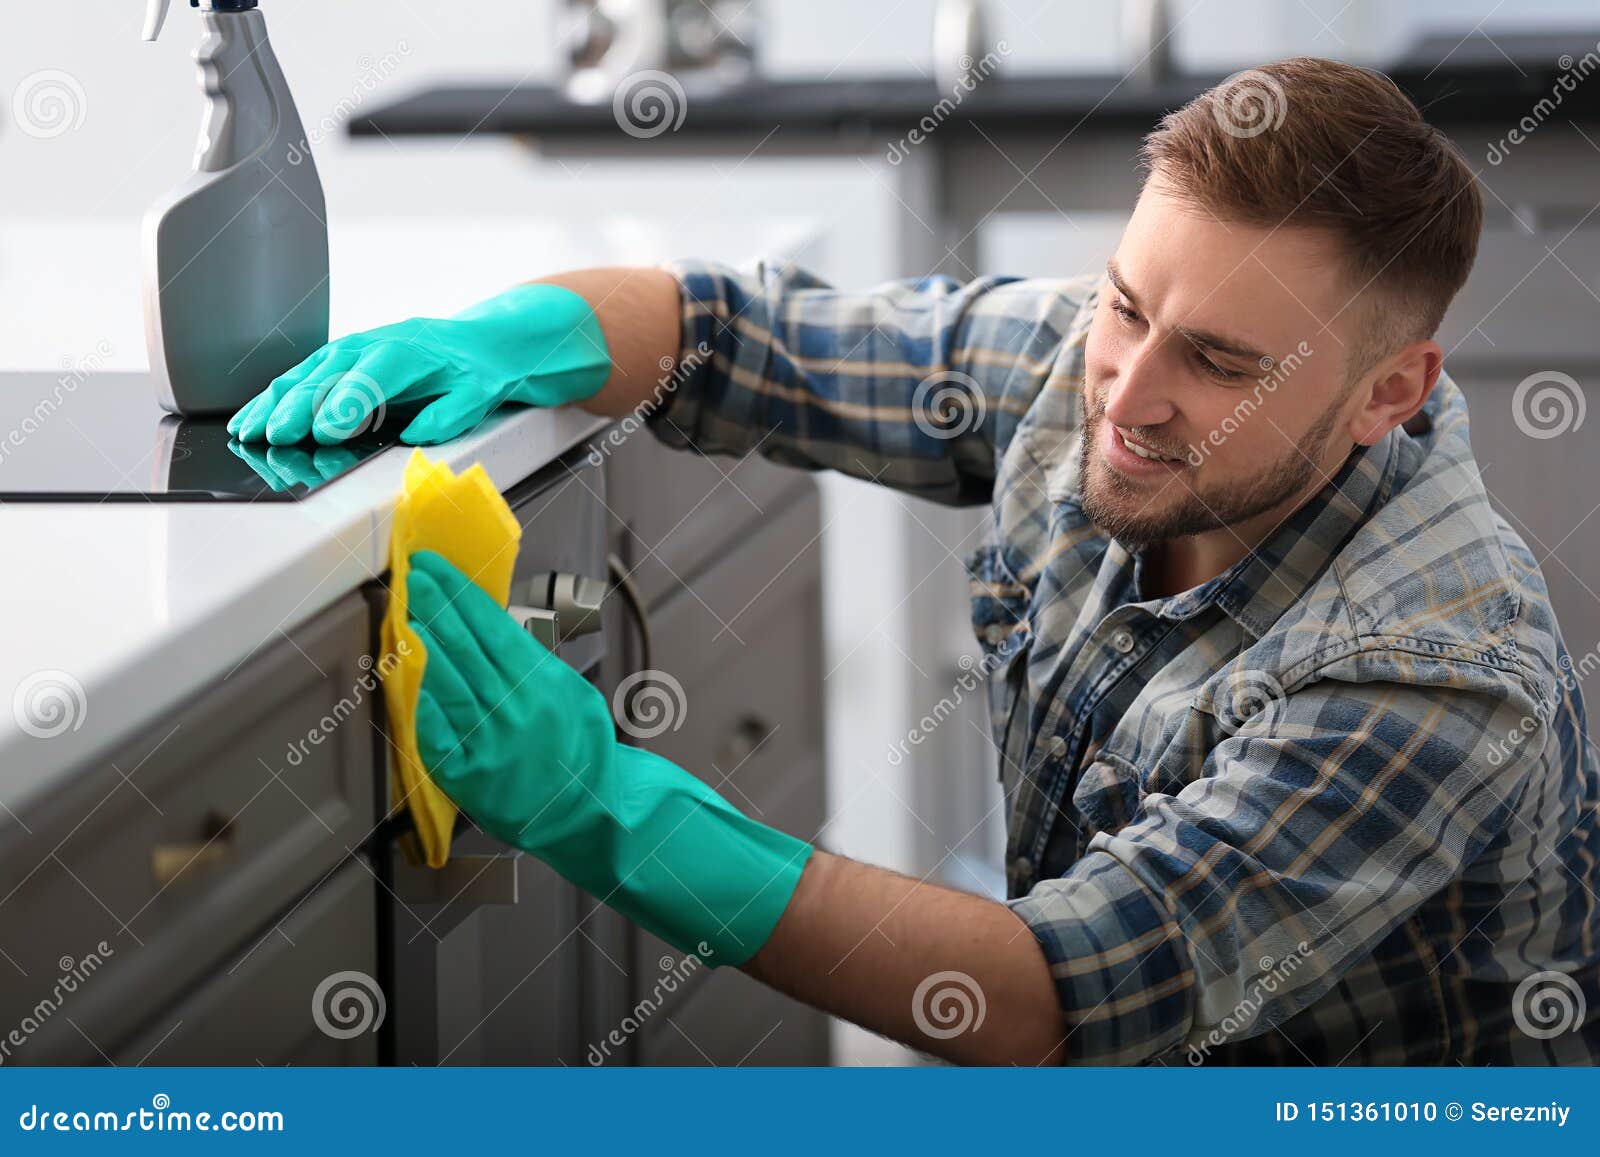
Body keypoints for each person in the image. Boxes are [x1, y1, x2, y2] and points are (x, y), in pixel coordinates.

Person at [230, 57, 1600, 1065]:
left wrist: (602, 802)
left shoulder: (1431, 662)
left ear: (1388, 394)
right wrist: (503, 338)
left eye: (1221, 361)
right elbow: (730, 334)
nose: (1125, 394)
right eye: (1129, 302)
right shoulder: (1086, 372)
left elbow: (1046, 994)